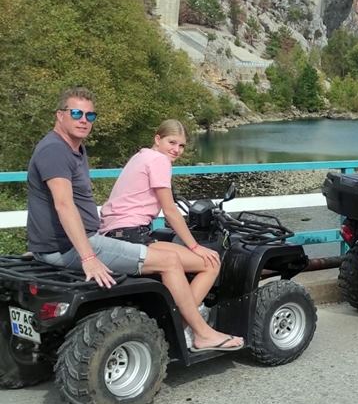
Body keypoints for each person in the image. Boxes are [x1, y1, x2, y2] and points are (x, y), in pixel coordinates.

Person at [26, 87, 242, 352]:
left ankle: (183, 324)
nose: (84, 120)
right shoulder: (55, 151)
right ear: (60, 115)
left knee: (176, 256)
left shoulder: (78, 150)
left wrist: (43, 246)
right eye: (76, 113)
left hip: (86, 238)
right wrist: (87, 257)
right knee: (176, 261)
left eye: (90, 116)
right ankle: (197, 331)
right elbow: (63, 204)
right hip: (78, 245)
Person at [99, 119, 223, 343]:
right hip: (132, 234)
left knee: (176, 252)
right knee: (210, 263)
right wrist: (195, 246)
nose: (176, 149)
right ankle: (183, 328)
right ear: (158, 139)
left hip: (115, 233)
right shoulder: (159, 161)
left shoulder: (141, 156)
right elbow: (170, 211)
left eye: (181, 145)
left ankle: (180, 324)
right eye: (171, 142)